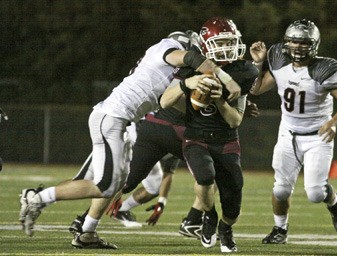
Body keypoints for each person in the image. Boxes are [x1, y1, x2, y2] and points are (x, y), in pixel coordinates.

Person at [19, 29, 242, 249]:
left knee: (115, 182)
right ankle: (36, 198)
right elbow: (192, 58)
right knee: (105, 185)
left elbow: (175, 103)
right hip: (111, 118)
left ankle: (86, 232)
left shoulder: (169, 71)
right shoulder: (167, 49)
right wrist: (226, 79)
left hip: (121, 122)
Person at [249, 19, 337, 244]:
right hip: (288, 133)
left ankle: (335, 204)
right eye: (293, 42)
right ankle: (280, 230)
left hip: (318, 136)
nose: (297, 47)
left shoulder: (323, 69)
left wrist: (334, 121)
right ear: (286, 42)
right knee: (280, 190)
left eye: (303, 43)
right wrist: (258, 64)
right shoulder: (278, 61)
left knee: (316, 194)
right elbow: (256, 89)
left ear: (314, 44)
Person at [160, 17, 258, 253]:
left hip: (226, 139)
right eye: (220, 42)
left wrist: (219, 100)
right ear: (205, 45)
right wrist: (188, 85)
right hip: (196, 137)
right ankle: (209, 216)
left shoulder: (244, 71)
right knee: (204, 177)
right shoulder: (190, 68)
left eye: (229, 42)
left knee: (234, 198)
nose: (226, 47)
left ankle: (225, 227)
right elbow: (164, 102)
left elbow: (235, 120)